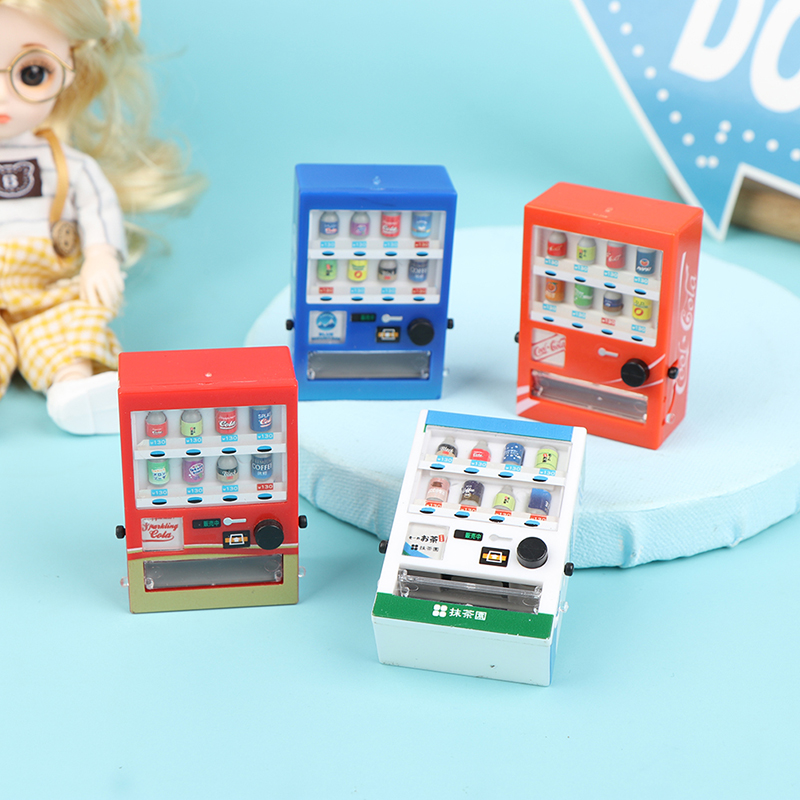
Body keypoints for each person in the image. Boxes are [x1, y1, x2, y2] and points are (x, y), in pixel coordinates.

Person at [0, 0, 203, 433]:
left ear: (72, 67)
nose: (3, 95)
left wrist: (100, 257)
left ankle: (73, 388)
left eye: (32, 73)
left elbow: (97, 207)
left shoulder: (68, 164)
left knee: (71, 330)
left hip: (50, 291)